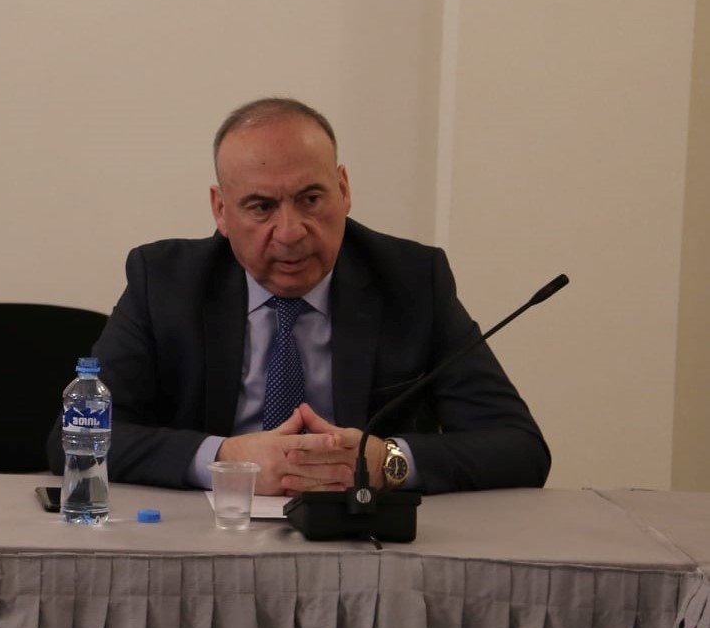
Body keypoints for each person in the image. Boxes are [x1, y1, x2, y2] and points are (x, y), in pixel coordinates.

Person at [48, 98, 549, 495]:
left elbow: (520, 446)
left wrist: (386, 461)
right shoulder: (164, 281)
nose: (290, 232)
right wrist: (226, 459)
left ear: (343, 189)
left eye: (311, 199)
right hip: (210, 536)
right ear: (221, 211)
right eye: (260, 207)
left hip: (364, 547)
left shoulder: (413, 280)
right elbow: (73, 438)